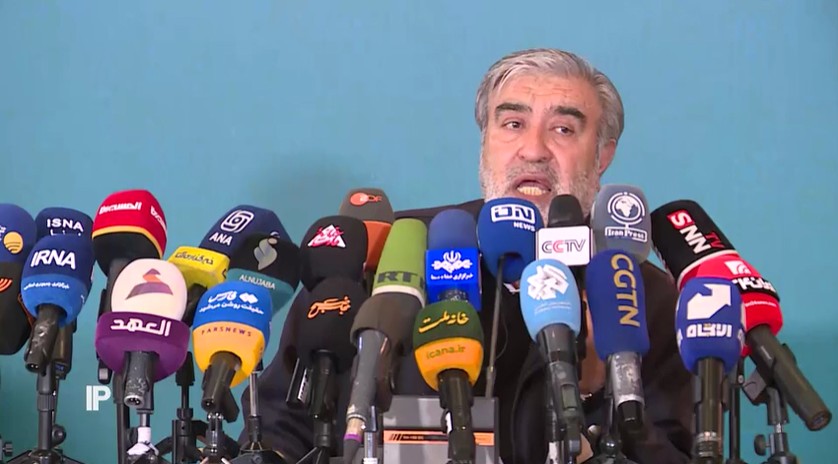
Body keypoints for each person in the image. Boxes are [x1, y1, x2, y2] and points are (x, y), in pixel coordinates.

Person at [240, 48, 693, 463]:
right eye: (512, 124)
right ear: (485, 140)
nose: (533, 150)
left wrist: (593, 396)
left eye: (563, 129)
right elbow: (283, 430)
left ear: (602, 155)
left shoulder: (642, 298)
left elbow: (669, 452)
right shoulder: (390, 255)